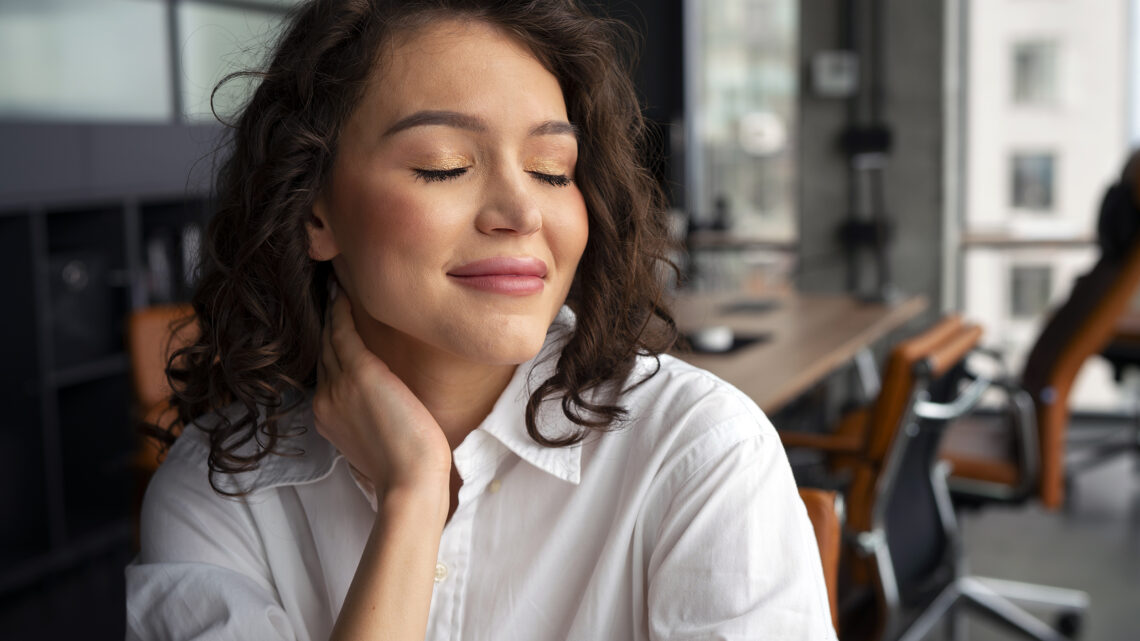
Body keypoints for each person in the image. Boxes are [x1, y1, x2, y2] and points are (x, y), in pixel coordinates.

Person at [126, 1, 836, 639]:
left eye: (552, 170)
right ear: (314, 211)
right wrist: (413, 497)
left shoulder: (700, 451)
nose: (522, 212)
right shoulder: (221, 490)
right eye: (444, 165)